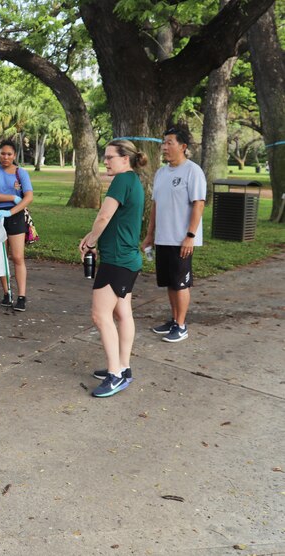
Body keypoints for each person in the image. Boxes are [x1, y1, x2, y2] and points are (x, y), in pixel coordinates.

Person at [79, 140, 147, 398]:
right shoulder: (133, 182)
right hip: (127, 259)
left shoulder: (121, 181)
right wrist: (92, 237)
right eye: (104, 156)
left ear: (125, 159)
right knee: (123, 313)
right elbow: (114, 222)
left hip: (118, 261)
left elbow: (104, 216)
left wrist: (90, 242)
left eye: (110, 157)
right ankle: (123, 367)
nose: (105, 161)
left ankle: (115, 375)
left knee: (99, 315)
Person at [142, 127, 207, 343]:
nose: (164, 147)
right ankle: (174, 319)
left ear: (183, 146)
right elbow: (155, 206)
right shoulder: (161, 173)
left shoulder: (192, 171)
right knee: (170, 282)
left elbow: (199, 204)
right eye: (163, 143)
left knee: (181, 283)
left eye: (169, 143)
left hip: (182, 239)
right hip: (163, 237)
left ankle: (181, 325)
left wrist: (190, 235)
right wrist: (150, 235)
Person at [0, 140, 34, 312]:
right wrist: (11, 197)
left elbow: (28, 197)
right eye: (2, 153)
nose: (5, 157)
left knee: (18, 257)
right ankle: (7, 293)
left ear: (14, 155)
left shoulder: (21, 173)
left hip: (15, 216)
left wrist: (12, 210)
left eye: (9, 154)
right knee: (1, 256)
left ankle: (21, 296)